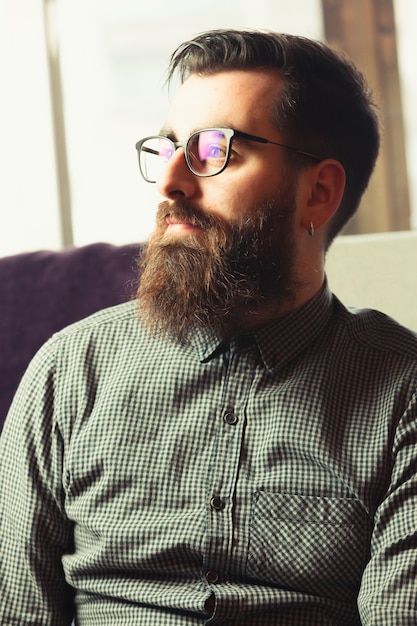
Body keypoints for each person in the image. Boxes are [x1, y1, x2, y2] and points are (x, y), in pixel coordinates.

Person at [0, 29, 416, 626]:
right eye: (169, 147)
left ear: (318, 194)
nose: (170, 181)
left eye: (213, 150)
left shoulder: (403, 393)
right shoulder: (69, 372)